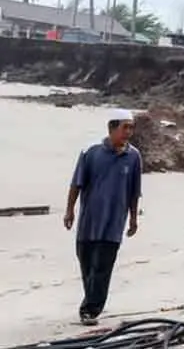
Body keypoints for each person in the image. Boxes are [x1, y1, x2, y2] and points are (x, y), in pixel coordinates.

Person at [63, 108, 143, 326]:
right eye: (125, 127)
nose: (129, 132)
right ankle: (92, 300)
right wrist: (69, 210)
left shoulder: (133, 157)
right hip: (88, 223)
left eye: (131, 128)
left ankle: (90, 310)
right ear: (111, 128)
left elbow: (134, 191)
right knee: (87, 265)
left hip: (113, 224)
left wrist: (133, 218)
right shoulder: (91, 152)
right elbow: (76, 184)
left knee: (102, 268)